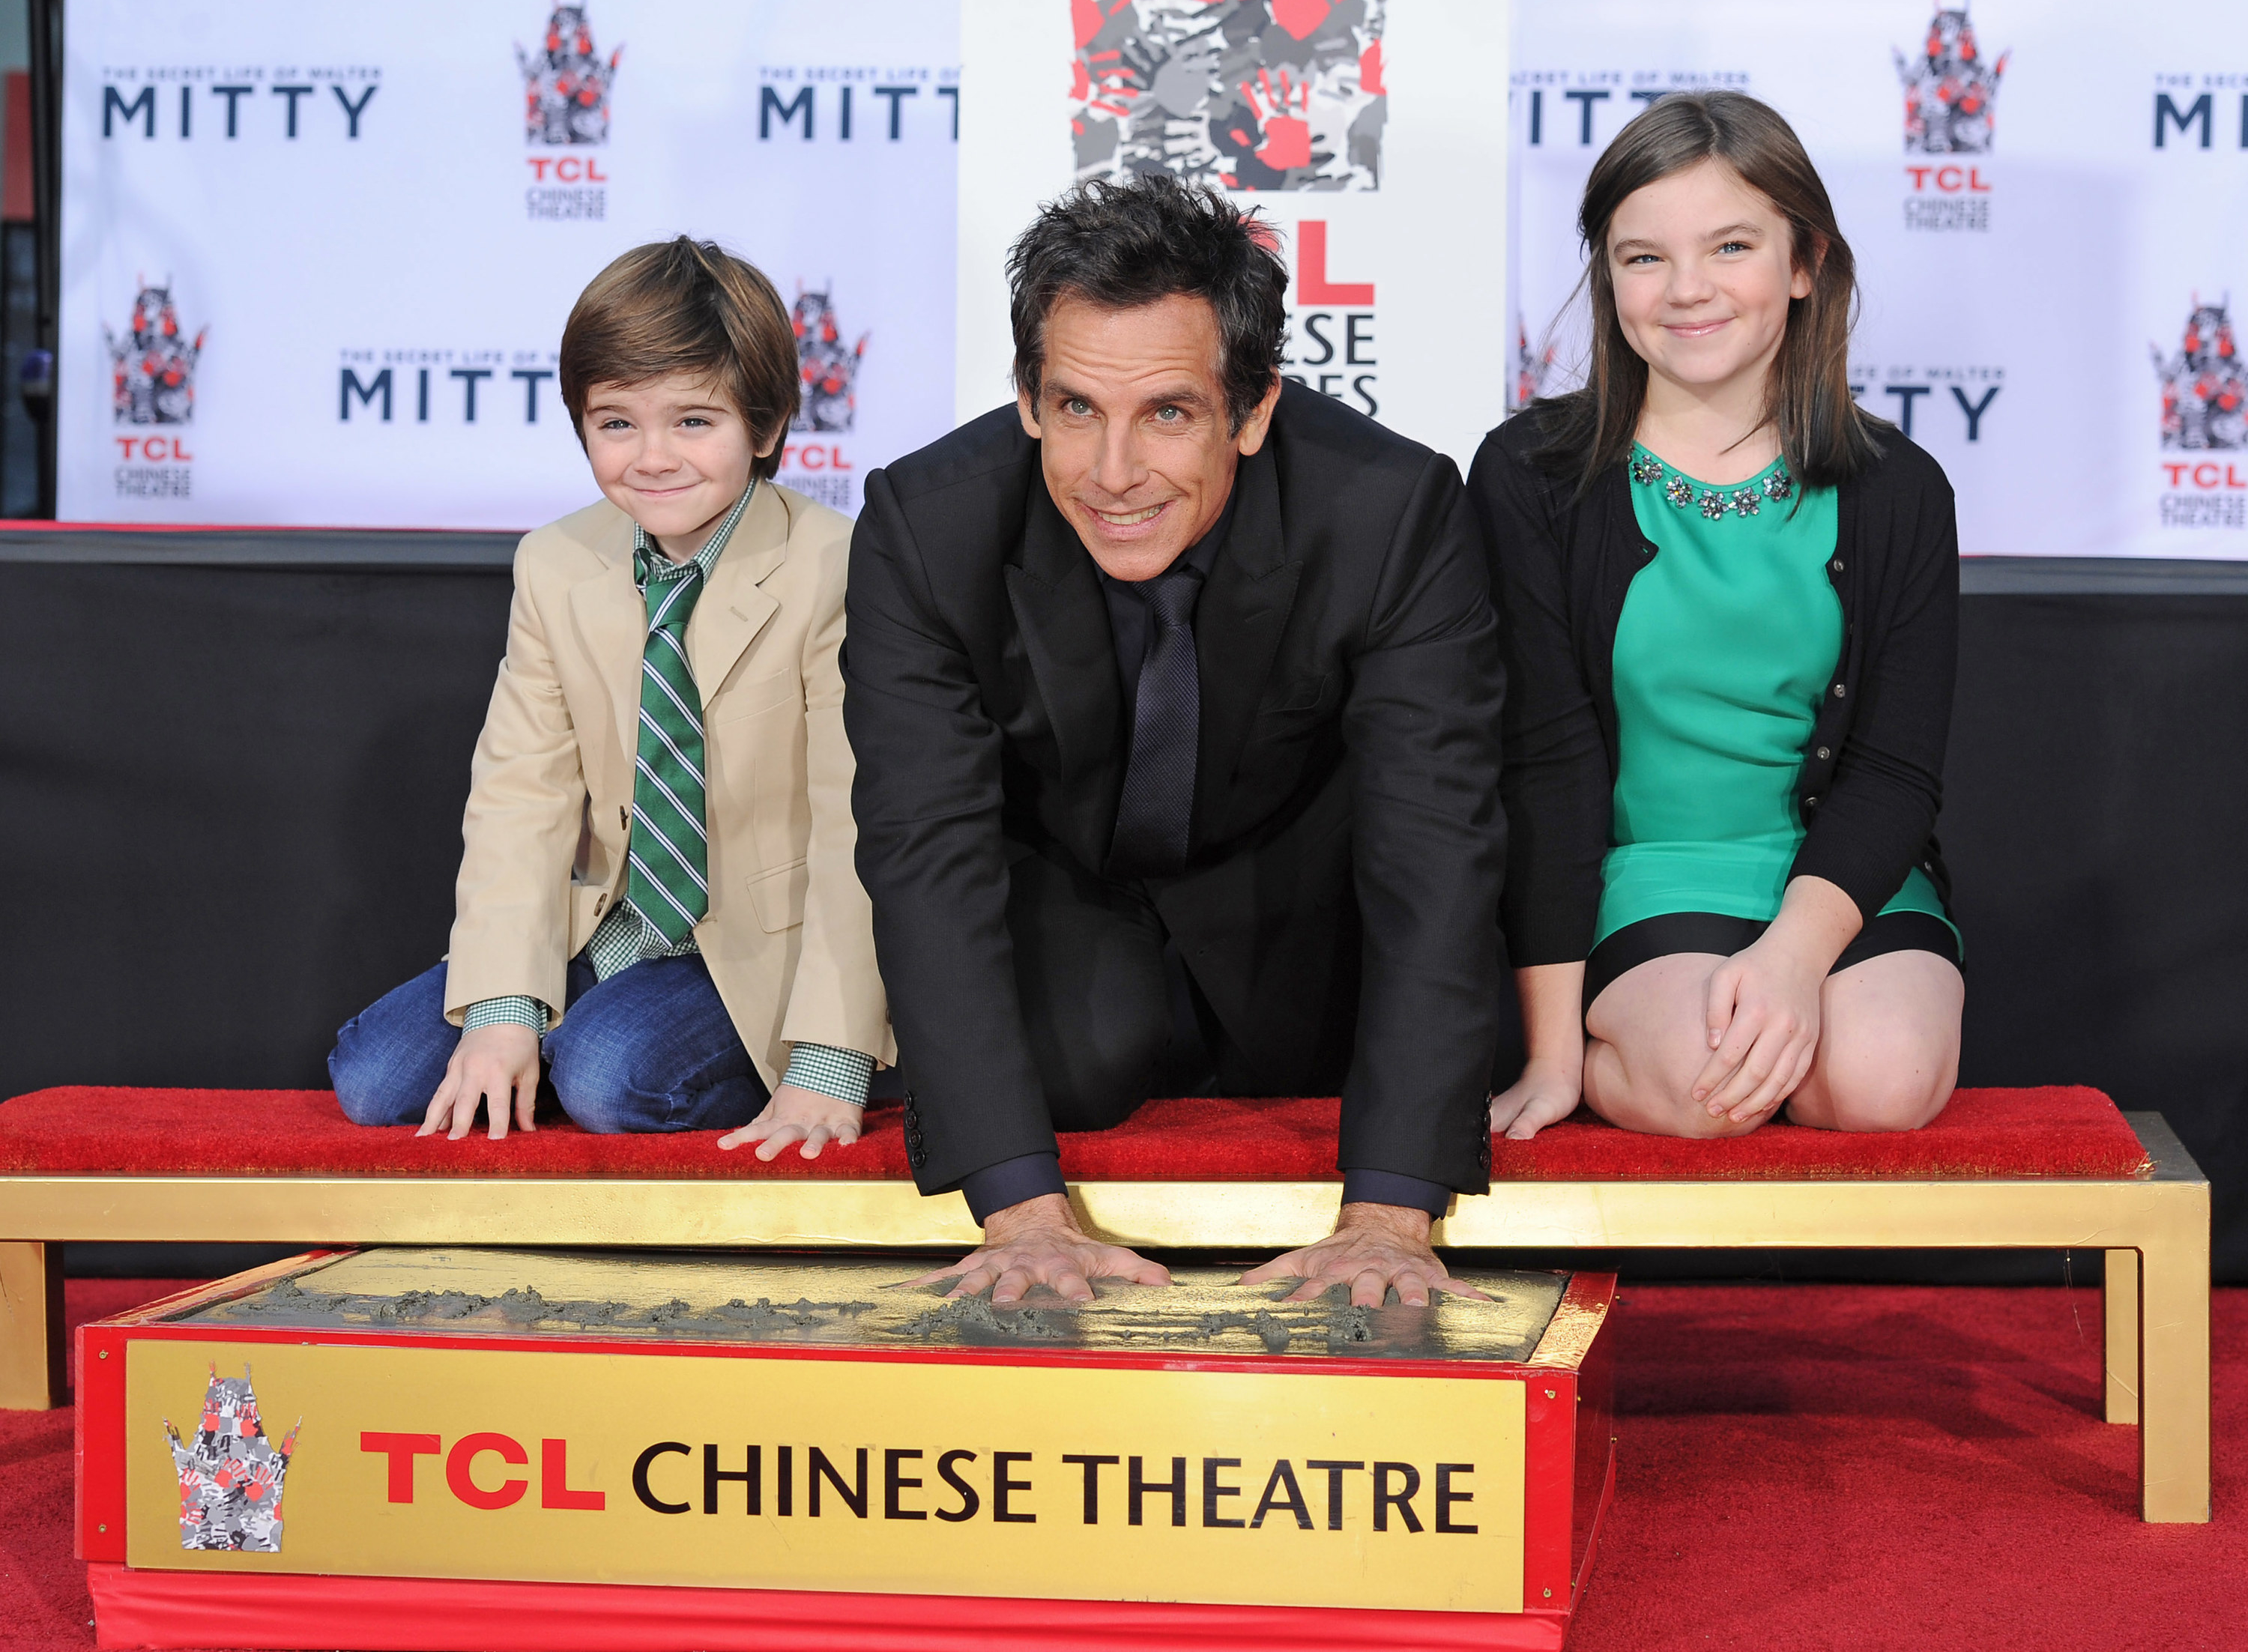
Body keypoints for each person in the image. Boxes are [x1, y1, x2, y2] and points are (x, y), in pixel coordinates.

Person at [842, 176, 1507, 1307]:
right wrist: (1020, 1213)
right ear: (1027, 400)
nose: (1113, 474)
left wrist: (1391, 1218)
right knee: (1072, 1069)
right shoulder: (925, 525)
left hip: (1310, 910)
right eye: (1075, 410)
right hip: (1075, 898)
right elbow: (927, 858)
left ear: (1251, 411)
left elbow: (1432, 855)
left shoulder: (1392, 514)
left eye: (1168, 413)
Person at [1470, 91, 1964, 1143]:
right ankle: (1623, 1049)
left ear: (1803, 263)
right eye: (1643, 256)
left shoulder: (1900, 489)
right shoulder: (1528, 476)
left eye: (1730, 246)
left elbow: (1894, 771)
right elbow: (1545, 769)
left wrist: (1792, 957)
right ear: (1608, 275)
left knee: (1878, 1085)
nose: (1686, 290)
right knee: (1707, 1088)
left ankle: (1791, 1012)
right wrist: (1553, 1056)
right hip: (1647, 871)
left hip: (1839, 873)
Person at [329, 237, 891, 1160]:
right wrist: (505, 1010)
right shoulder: (556, 562)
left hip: (764, 948)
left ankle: (624, 1042)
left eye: (694, 422)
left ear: (766, 420)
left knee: (607, 1075)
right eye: (617, 423)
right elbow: (523, 796)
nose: (653, 457)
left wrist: (829, 1057)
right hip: (617, 925)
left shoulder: (838, 565)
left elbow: (860, 824)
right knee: (376, 1075)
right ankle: (552, 1029)